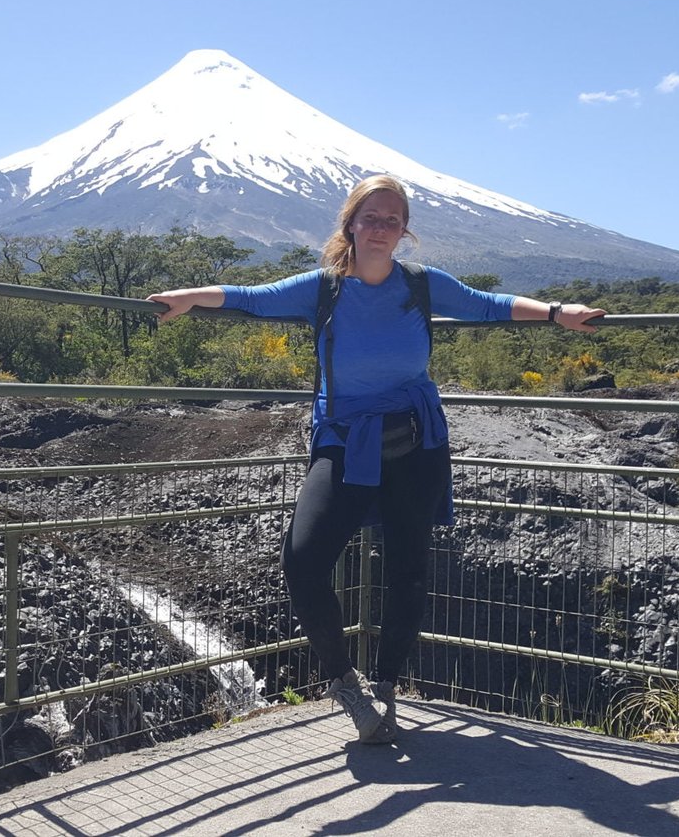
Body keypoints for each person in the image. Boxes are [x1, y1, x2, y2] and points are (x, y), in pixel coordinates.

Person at [146, 174, 605, 744]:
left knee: (408, 572)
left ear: (404, 229)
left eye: (393, 218)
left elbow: (489, 306)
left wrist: (559, 312)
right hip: (345, 443)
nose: (382, 227)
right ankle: (344, 683)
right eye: (372, 217)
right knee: (304, 561)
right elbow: (248, 298)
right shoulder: (323, 289)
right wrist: (190, 298)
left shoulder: (420, 285)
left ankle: (385, 690)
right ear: (351, 225)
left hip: (416, 442)